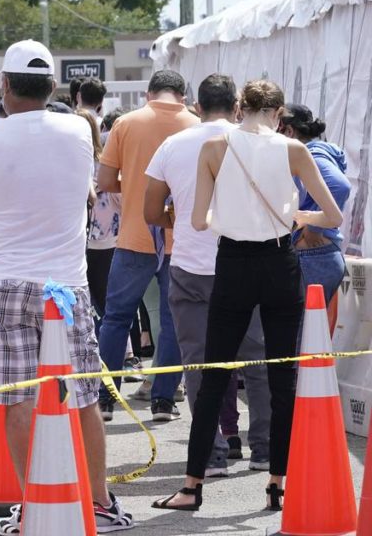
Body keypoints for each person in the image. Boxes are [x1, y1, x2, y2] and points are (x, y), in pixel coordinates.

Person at [0, 40, 134, 535]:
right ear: (53, 86)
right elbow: (85, 188)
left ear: (5, 85)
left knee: (19, 398)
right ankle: (98, 502)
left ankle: (35, 504)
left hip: (5, 281)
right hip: (65, 285)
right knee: (82, 395)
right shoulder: (79, 128)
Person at [153, 79, 342, 512]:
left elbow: (198, 221)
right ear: (278, 114)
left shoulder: (216, 148)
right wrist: (294, 215)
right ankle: (277, 482)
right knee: (281, 377)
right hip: (280, 262)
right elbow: (332, 215)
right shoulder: (293, 150)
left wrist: (231, 215)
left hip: (234, 263)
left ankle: (191, 485)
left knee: (214, 373)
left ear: (241, 108)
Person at [143, 73, 273, 477]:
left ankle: (212, 453)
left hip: (191, 266)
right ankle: (266, 448)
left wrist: (179, 217)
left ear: (196, 107)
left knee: (199, 363)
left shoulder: (172, 146)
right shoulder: (259, 143)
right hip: (247, 263)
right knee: (259, 360)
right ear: (237, 106)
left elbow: (149, 211)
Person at [96, 69, 199, 421]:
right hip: (180, 239)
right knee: (172, 322)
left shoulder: (126, 123)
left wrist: (139, 187)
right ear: (182, 96)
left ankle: (106, 399)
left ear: (148, 94)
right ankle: (163, 401)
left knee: (116, 318)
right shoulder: (195, 125)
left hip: (134, 236)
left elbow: (106, 181)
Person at [278, 104, 351, 297]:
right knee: (313, 325)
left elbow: (341, 186)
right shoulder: (317, 152)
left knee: (301, 325)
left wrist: (314, 228)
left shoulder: (311, 155)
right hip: (317, 256)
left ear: (289, 131)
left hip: (312, 256)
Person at [82, 109, 120, 341]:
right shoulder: (102, 160)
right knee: (103, 299)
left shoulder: (99, 162)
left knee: (103, 299)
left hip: (101, 239)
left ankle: (116, 350)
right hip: (101, 236)